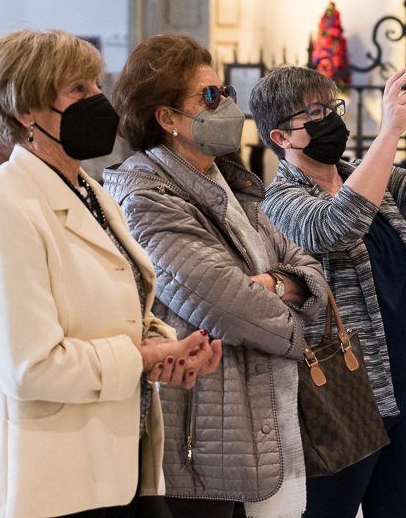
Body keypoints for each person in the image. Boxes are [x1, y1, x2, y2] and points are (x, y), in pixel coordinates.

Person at [0, 29, 222, 518]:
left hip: (120, 458)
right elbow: (30, 366)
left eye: (97, 85)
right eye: (78, 89)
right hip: (54, 474)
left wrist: (169, 351)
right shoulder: (5, 205)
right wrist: (143, 358)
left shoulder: (90, 191)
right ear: (27, 110)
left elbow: (120, 306)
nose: (98, 99)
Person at [104, 34, 329, 518]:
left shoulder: (234, 180)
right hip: (202, 419)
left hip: (257, 402)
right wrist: (299, 322)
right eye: (209, 97)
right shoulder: (145, 195)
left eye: (224, 92)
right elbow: (225, 302)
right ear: (167, 118)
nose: (226, 104)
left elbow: (308, 267)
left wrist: (277, 283)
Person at [250, 65, 406, 518]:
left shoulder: (366, 176)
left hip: (405, 379)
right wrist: (390, 130)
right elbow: (337, 226)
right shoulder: (280, 200)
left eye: (330, 107)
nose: (329, 119)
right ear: (280, 138)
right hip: (345, 392)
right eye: (311, 114)